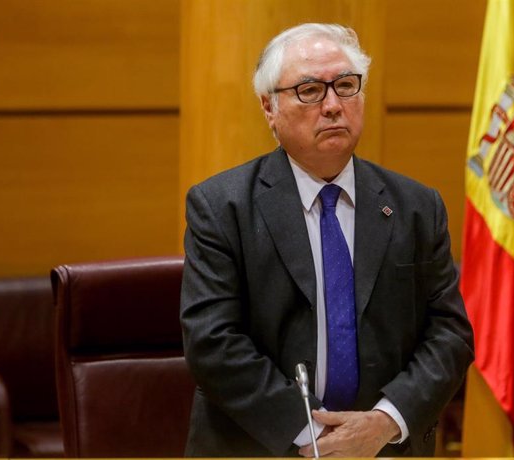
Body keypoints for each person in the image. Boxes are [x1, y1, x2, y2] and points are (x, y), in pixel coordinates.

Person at [180, 23, 474, 457]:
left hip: (384, 449)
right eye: (310, 90)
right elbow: (212, 343)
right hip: (261, 447)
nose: (333, 105)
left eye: (346, 86)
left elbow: (449, 334)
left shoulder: (416, 206)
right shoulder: (221, 207)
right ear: (269, 107)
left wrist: (384, 423)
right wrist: (317, 438)